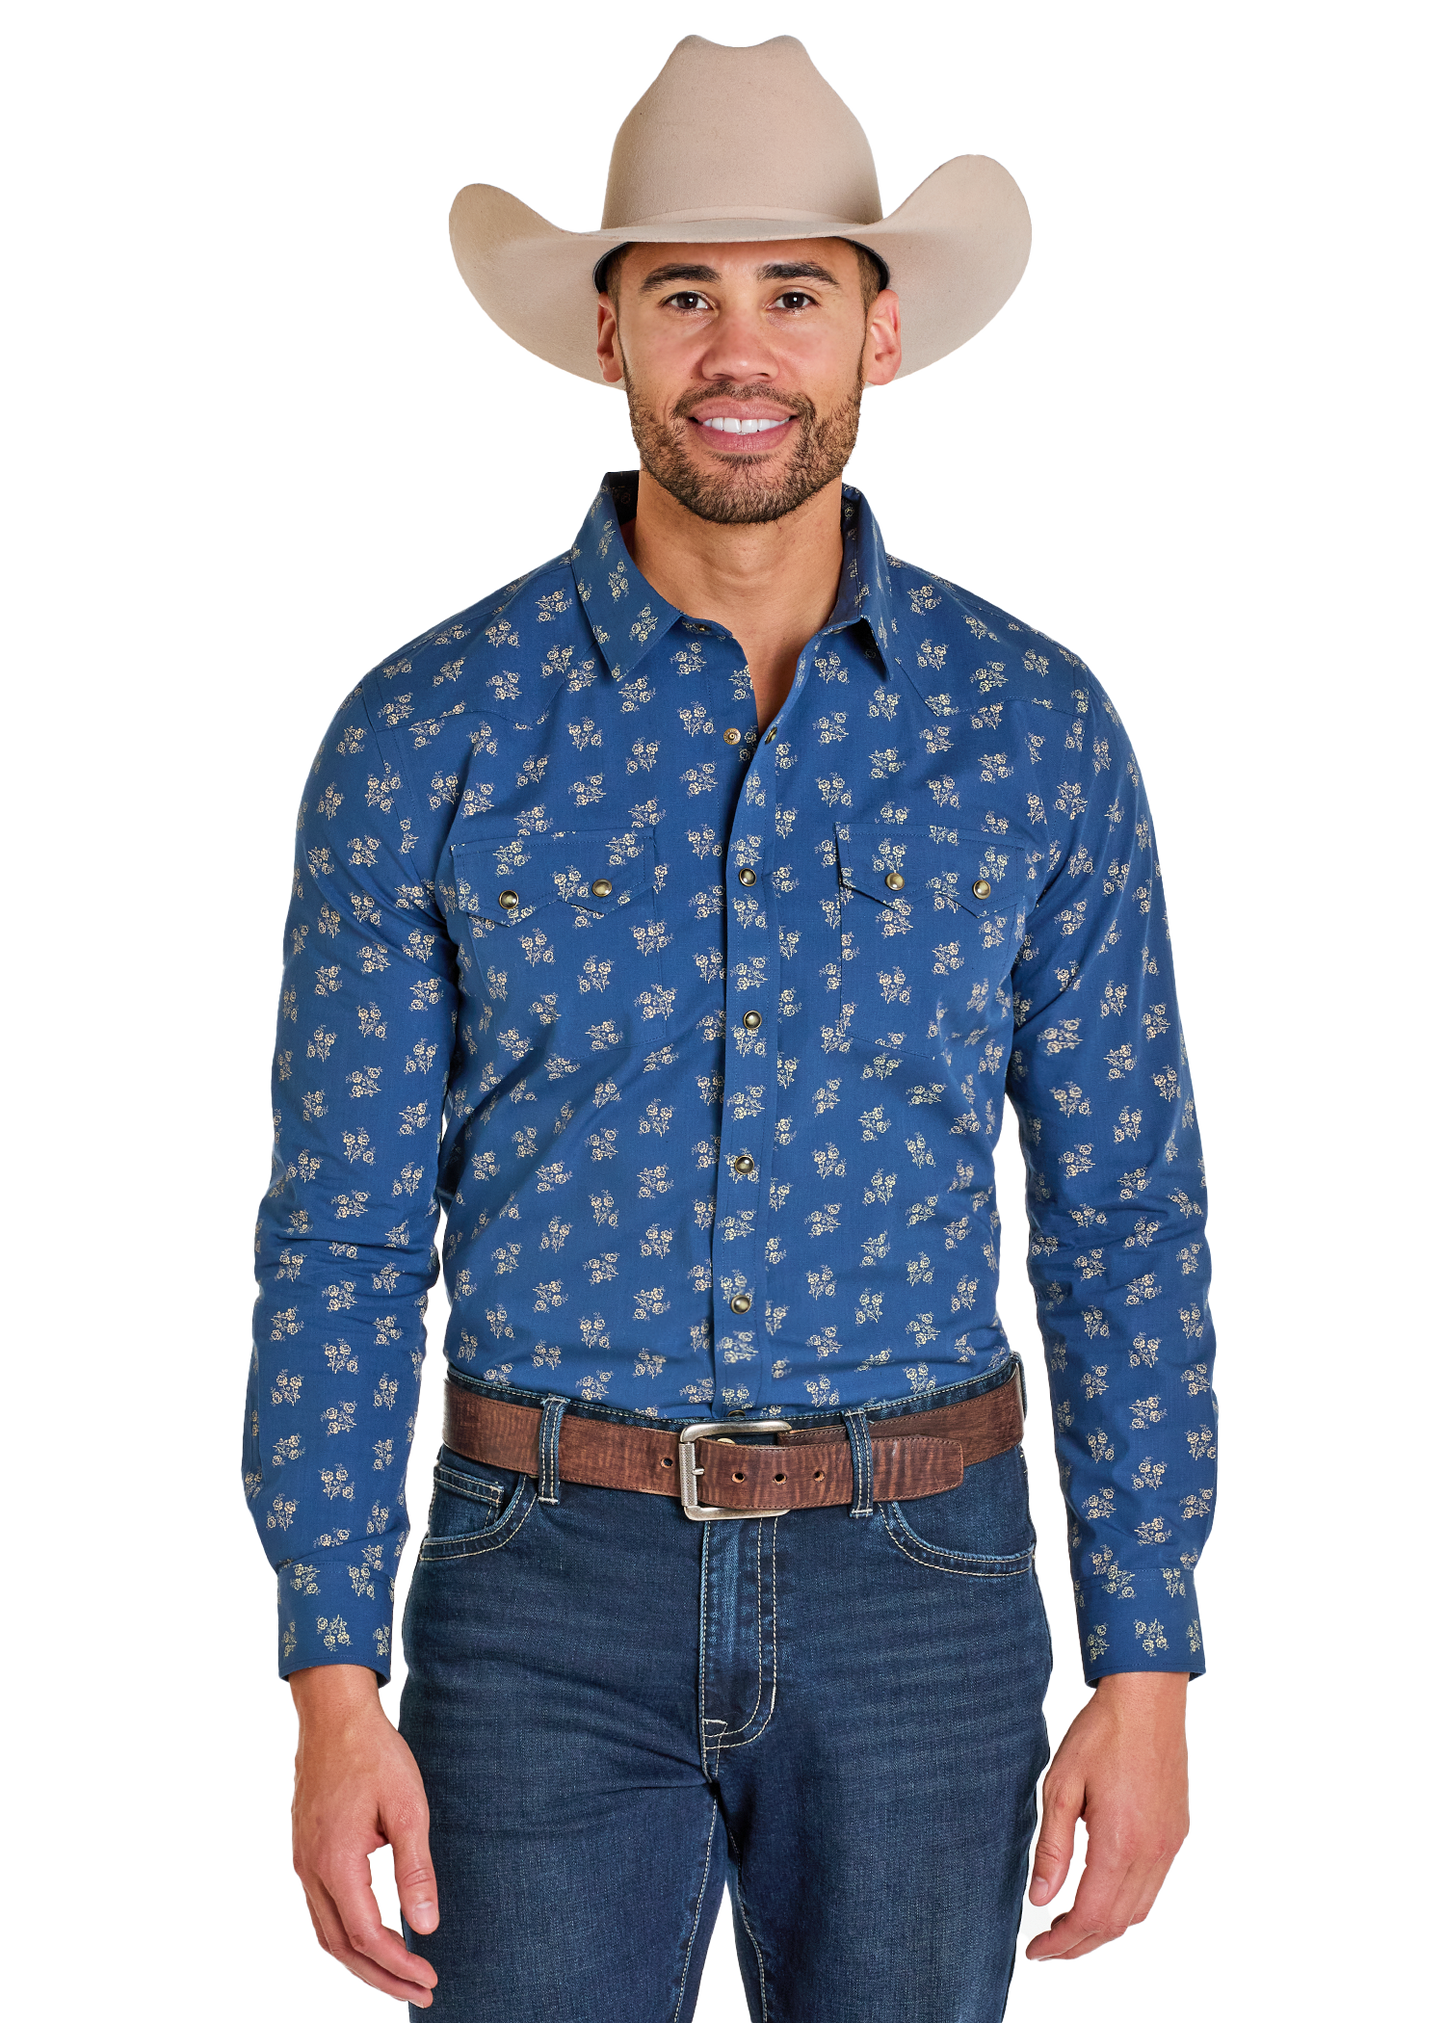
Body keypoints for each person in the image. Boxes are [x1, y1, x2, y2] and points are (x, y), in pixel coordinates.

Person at [242, 30, 1219, 2021]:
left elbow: (1121, 1219)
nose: (739, 349)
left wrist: (1148, 1663)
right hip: (534, 1592)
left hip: (925, 1591)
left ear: (879, 334)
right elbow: (338, 1235)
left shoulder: (1036, 729)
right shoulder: (422, 732)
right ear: (609, 333)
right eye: (685, 294)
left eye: (794, 291)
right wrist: (330, 1680)